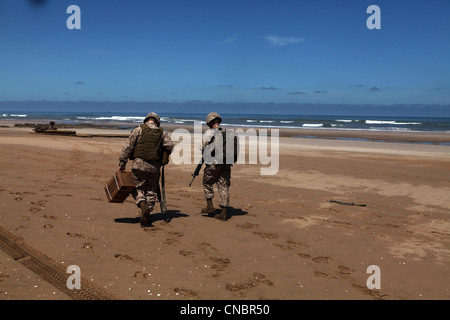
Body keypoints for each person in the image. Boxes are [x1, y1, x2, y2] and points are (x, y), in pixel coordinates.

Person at [118, 113, 174, 227]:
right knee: (151, 190)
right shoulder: (162, 133)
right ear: (157, 122)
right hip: (154, 167)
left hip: (139, 165)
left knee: (135, 187)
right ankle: (147, 212)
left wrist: (122, 162)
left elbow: (128, 147)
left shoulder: (138, 130)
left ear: (146, 121)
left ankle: (142, 204)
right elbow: (170, 146)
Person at [201, 112, 232, 221]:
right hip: (226, 163)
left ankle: (210, 206)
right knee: (224, 186)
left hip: (213, 163)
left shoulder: (209, 133)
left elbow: (203, 147)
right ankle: (223, 212)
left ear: (209, 123)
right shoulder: (227, 133)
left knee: (207, 182)